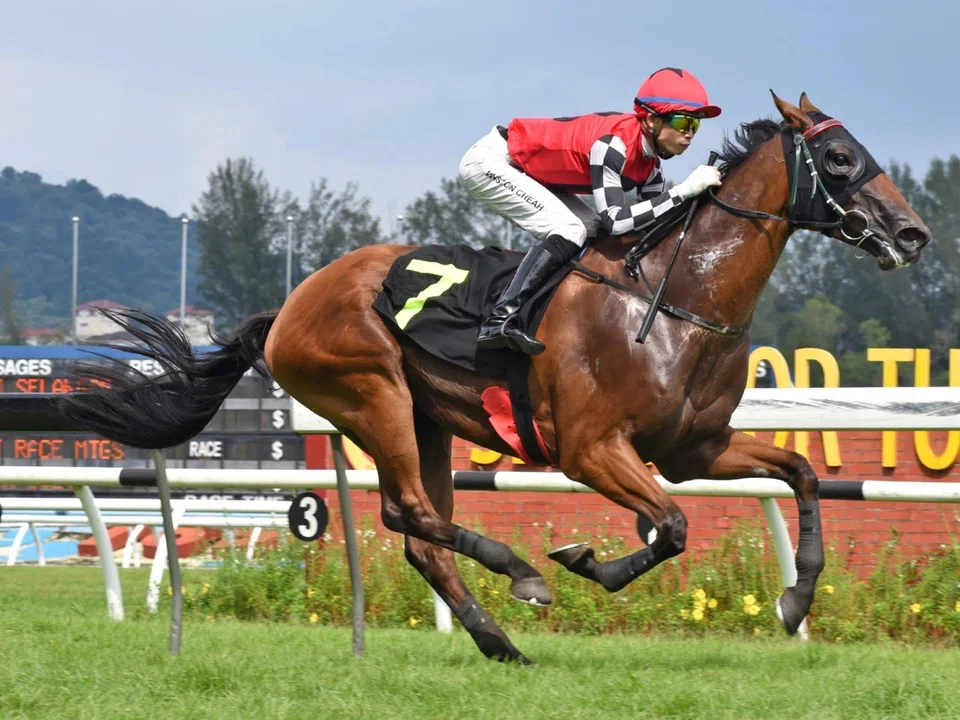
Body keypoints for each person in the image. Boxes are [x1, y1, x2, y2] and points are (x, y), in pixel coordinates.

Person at [459, 67, 723, 355]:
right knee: (571, 229)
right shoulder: (614, 146)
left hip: (531, 173)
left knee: (592, 228)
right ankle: (500, 319)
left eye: (695, 126)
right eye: (683, 122)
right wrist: (684, 190)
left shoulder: (650, 167)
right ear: (650, 121)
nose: (689, 134)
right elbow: (618, 222)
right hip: (493, 163)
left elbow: (655, 227)